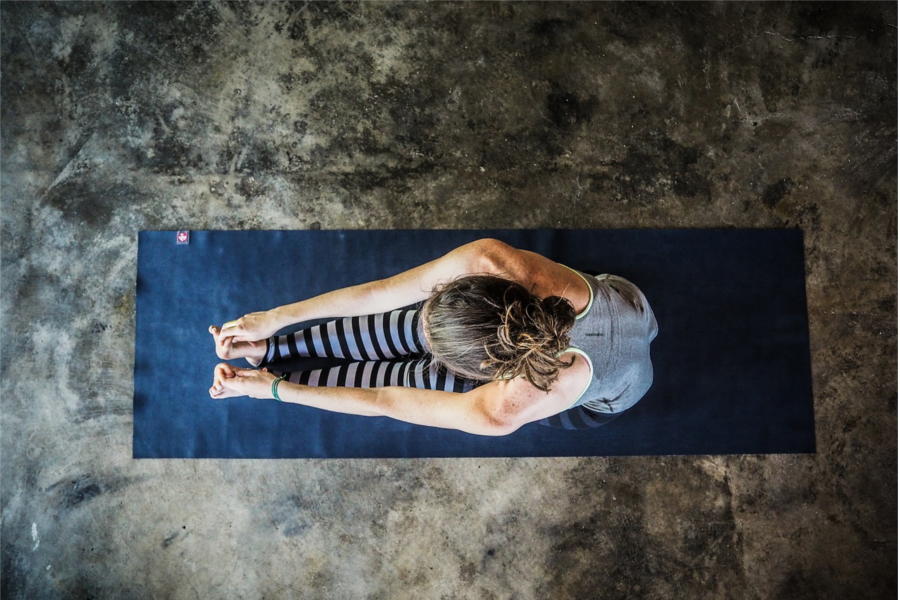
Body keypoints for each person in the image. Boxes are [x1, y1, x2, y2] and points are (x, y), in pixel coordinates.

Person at [207, 238, 658, 436]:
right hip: (627, 301)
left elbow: (388, 400)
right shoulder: (491, 259)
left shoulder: (504, 407)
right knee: (405, 328)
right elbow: (382, 294)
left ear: (492, 373)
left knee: (422, 379)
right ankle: (276, 353)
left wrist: (276, 389)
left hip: (614, 390)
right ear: (479, 281)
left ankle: (281, 361)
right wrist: (274, 325)